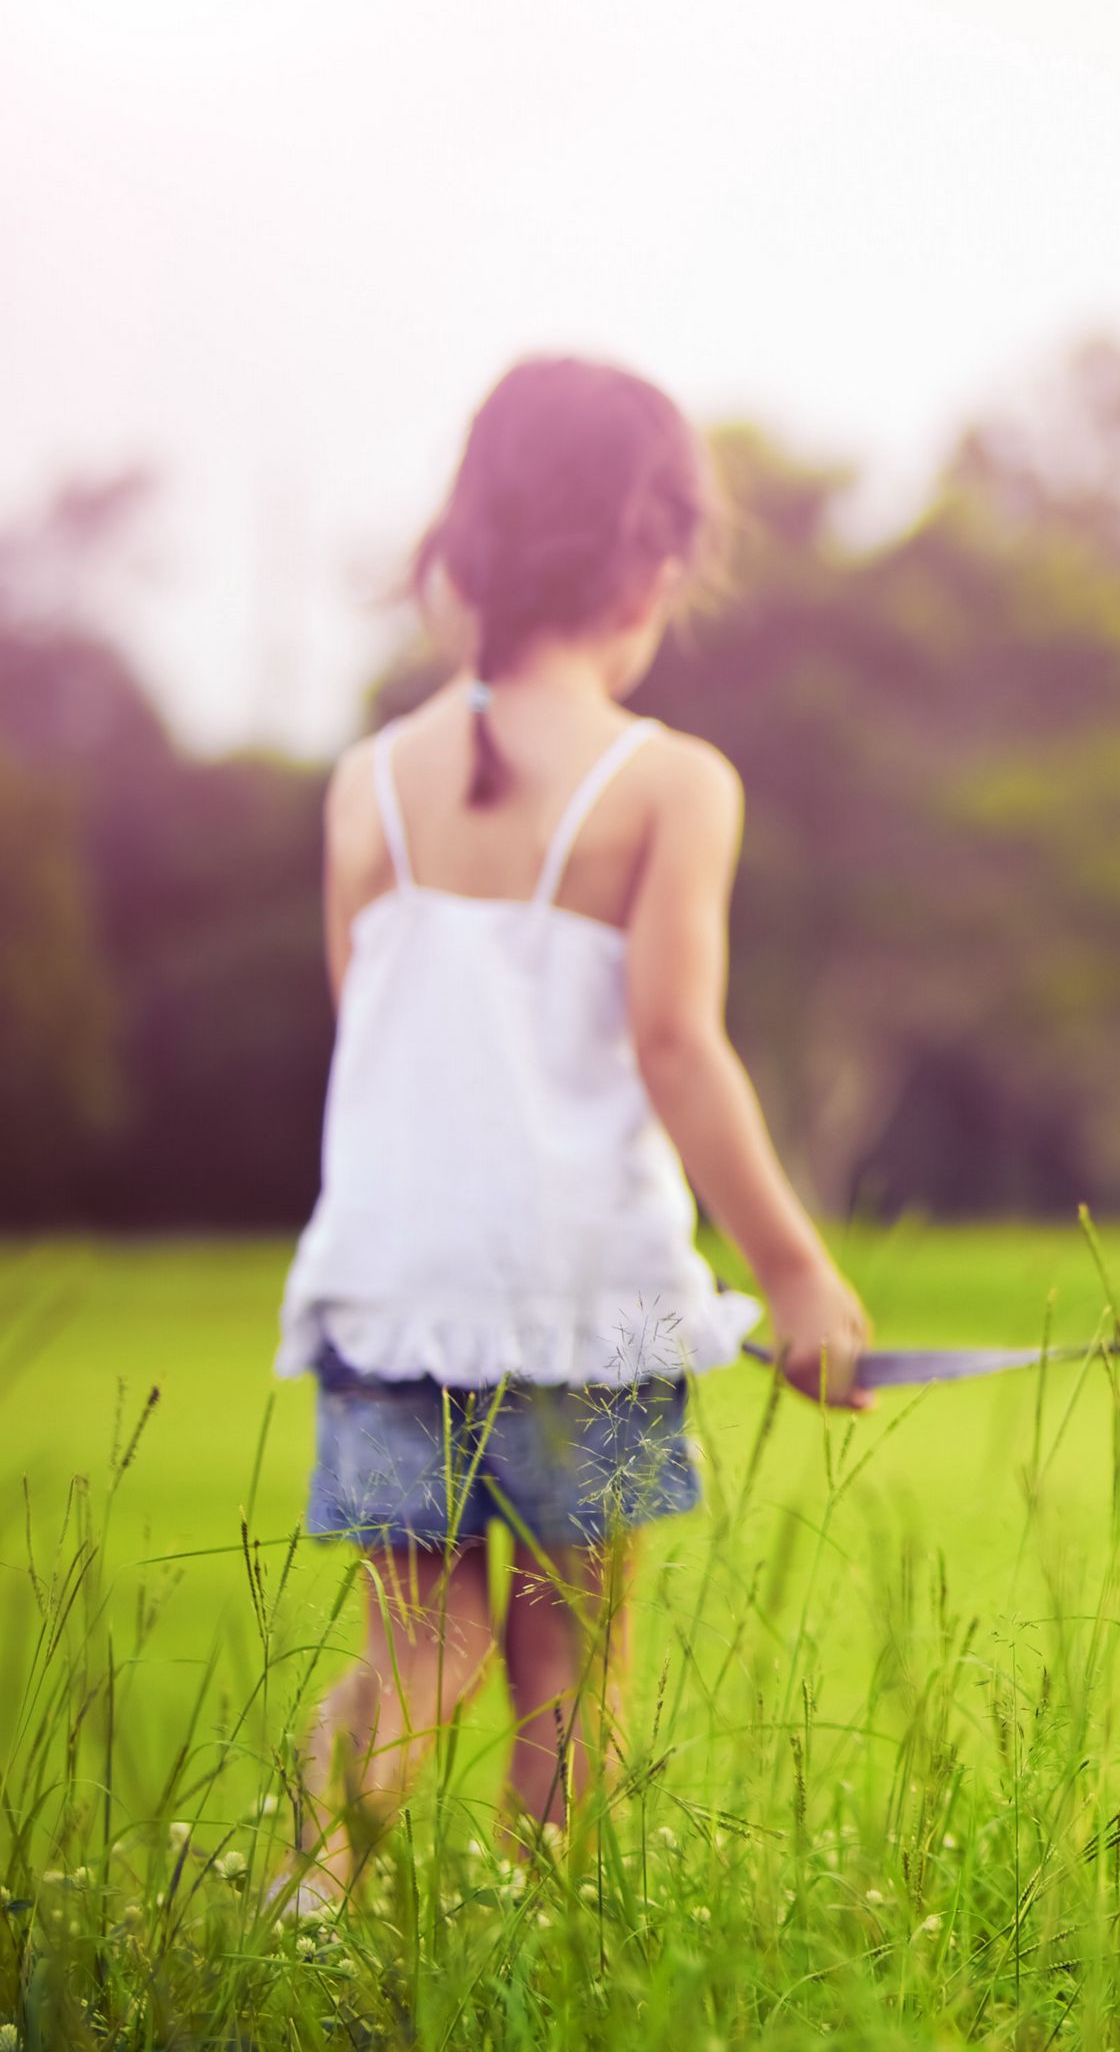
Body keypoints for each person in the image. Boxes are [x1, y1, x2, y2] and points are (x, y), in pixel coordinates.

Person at [280, 356, 873, 1907]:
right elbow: (677, 1045)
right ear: (656, 566)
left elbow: (373, 1039)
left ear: (460, 556)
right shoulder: (669, 783)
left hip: (393, 1293)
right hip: (585, 1308)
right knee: (571, 1668)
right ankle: (555, 1952)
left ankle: (302, 1906)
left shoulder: (368, 787)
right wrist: (796, 1276)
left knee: (420, 1650)